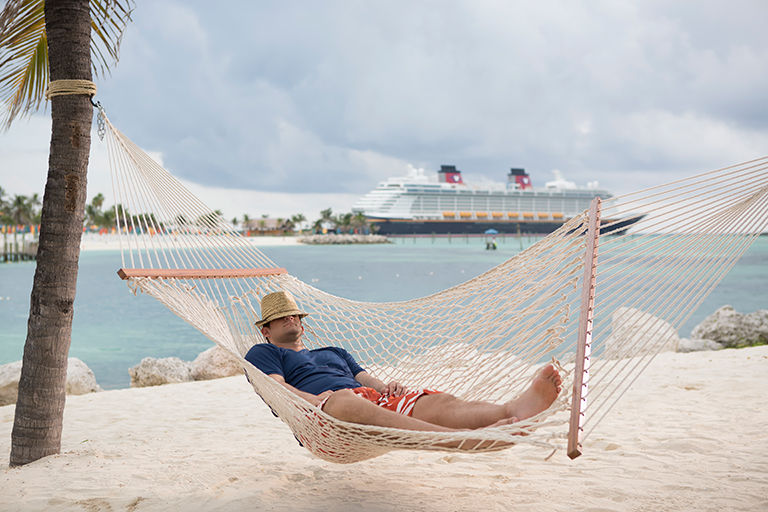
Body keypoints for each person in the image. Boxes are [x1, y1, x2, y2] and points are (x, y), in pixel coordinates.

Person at [245, 291, 562, 437]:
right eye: (279, 317)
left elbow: (366, 379)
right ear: (266, 330)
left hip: (372, 402)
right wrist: (317, 401)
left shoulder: (334, 351)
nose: (290, 318)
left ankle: (511, 412)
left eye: (294, 315)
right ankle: (465, 441)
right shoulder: (264, 353)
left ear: (302, 323)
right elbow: (278, 388)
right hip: (324, 415)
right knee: (344, 399)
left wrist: (387, 387)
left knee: (438, 401)